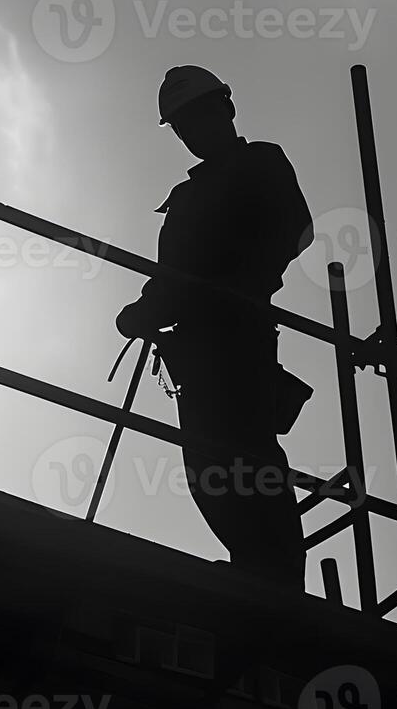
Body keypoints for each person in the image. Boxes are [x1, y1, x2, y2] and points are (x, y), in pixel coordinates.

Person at [116, 65, 312, 587]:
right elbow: (173, 276)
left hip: (238, 334)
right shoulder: (187, 197)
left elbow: (295, 229)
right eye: (181, 126)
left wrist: (236, 280)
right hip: (197, 348)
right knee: (207, 464)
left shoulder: (259, 163)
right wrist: (147, 309)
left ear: (225, 109)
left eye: (195, 118)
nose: (190, 133)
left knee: (245, 453)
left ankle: (278, 572)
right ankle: (254, 564)